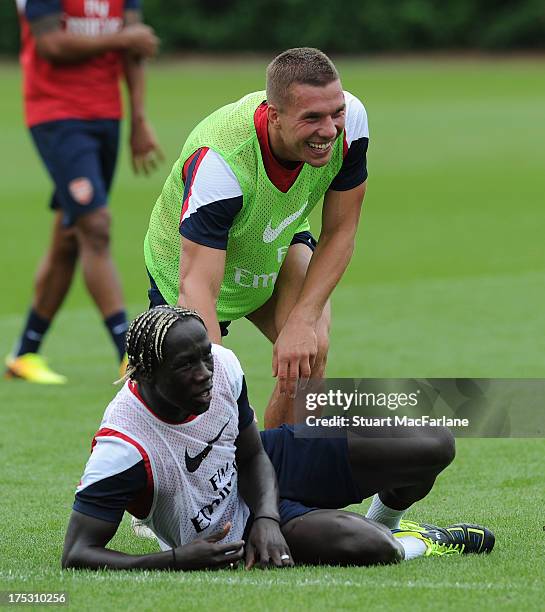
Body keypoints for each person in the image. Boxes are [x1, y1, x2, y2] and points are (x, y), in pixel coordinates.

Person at [62, 306, 494, 570]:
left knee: (433, 443)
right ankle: (420, 541)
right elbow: (78, 553)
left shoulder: (224, 368)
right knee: (376, 549)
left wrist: (267, 516)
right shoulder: (123, 448)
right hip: (230, 529)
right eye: (186, 366)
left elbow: (251, 453)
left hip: (269, 464)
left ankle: (385, 521)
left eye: (205, 358)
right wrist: (174, 560)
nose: (205, 375)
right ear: (149, 374)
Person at [144, 47, 368, 428]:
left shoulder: (351, 122)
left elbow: (341, 232)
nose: (329, 130)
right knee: (190, 397)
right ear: (275, 116)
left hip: (276, 238)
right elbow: (197, 283)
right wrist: (219, 386)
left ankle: (285, 478)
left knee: (310, 352)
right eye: (312, 118)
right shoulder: (221, 162)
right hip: (184, 265)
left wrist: (301, 320)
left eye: (335, 113)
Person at [6, 0, 163, 384]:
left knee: (69, 236)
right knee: (95, 225)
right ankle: (129, 354)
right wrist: (123, 36)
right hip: (57, 117)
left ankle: (24, 353)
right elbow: (50, 45)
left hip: (107, 116)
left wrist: (139, 118)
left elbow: (135, 49)